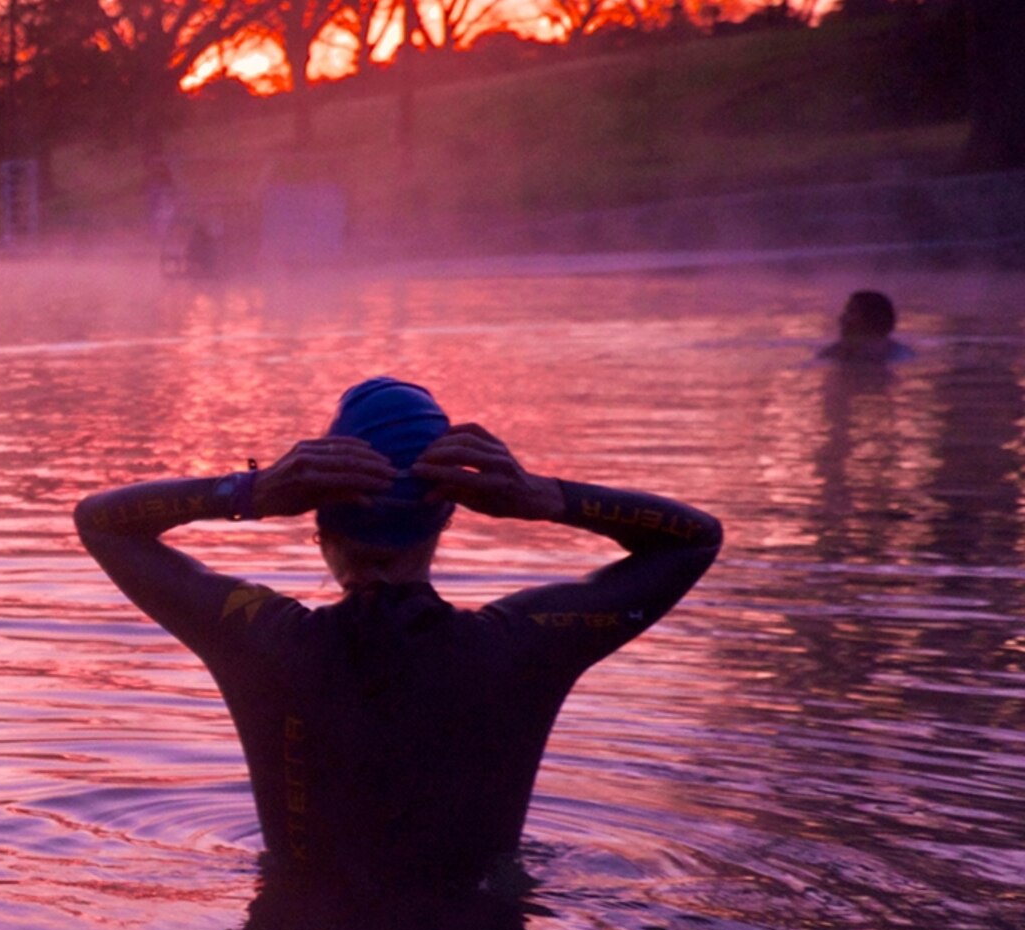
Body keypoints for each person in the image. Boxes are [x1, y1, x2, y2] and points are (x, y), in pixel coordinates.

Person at [73, 376, 723, 893]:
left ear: (319, 528)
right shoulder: (524, 646)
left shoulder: (263, 644)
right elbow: (693, 540)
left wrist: (251, 489)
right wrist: (548, 496)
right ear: (446, 523)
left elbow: (103, 522)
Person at [820, 287, 909, 361]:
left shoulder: (900, 356)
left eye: (852, 312)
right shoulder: (833, 353)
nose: (841, 319)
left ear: (872, 320)